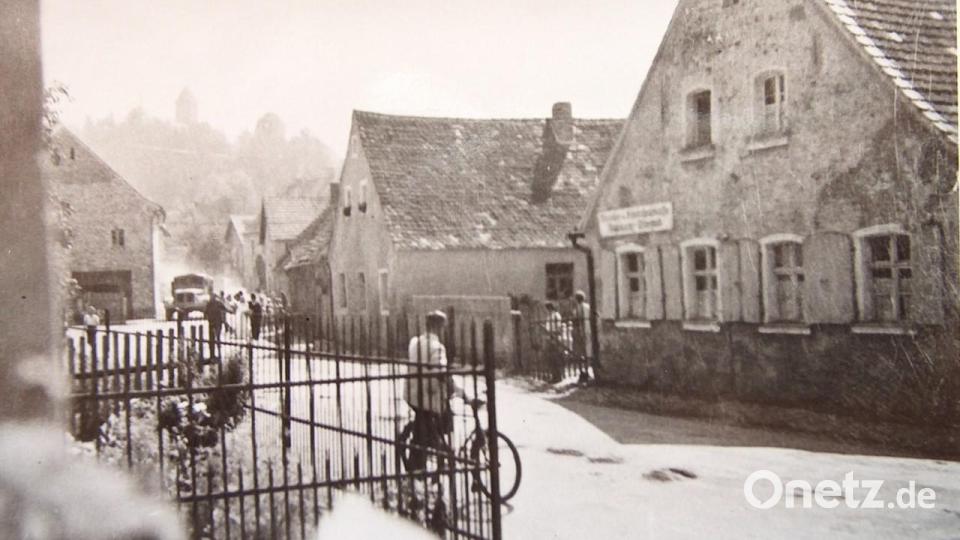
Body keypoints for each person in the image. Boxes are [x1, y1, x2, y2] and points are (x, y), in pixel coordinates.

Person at [403, 310, 466, 472]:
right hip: (428, 396)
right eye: (442, 327)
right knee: (444, 420)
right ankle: (439, 456)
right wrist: (462, 393)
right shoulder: (437, 347)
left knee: (424, 427)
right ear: (438, 327)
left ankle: (420, 464)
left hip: (412, 395)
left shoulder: (415, 342)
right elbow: (441, 374)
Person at [544, 302, 564, 382]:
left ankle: (558, 376)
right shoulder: (549, 316)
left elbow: (559, 328)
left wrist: (553, 334)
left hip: (555, 338)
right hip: (550, 338)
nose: (547, 310)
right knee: (551, 358)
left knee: (556, 357)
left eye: (548, 308)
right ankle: (554, 376)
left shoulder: (556, 315)